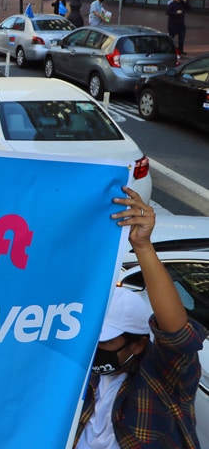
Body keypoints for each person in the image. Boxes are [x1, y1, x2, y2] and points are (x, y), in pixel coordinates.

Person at [74, 186, 206, 447]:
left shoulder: (162, 379)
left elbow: (178, 337)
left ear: (139, 343)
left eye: (106, 342)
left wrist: (143, 246)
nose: (96, 349)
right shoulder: (76, 376)